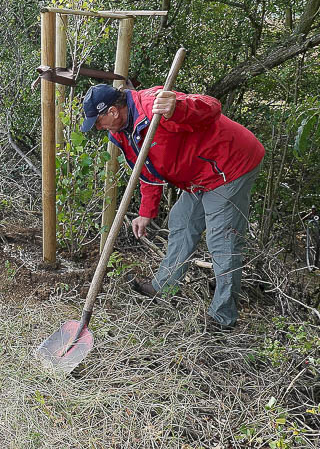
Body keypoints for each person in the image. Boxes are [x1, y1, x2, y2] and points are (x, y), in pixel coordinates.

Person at [80, 84, 265, 329]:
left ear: (113, 111)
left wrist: (177, 108)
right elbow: (145, 171)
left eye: (98, 121)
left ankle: (223, 317)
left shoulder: (153, 105)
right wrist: (146, 212)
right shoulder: (121, 132)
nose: (98, 128)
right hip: (199, 176)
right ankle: (164, 288)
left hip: (229, 166)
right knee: (182, 221)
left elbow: (212, 107)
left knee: (222, 241)